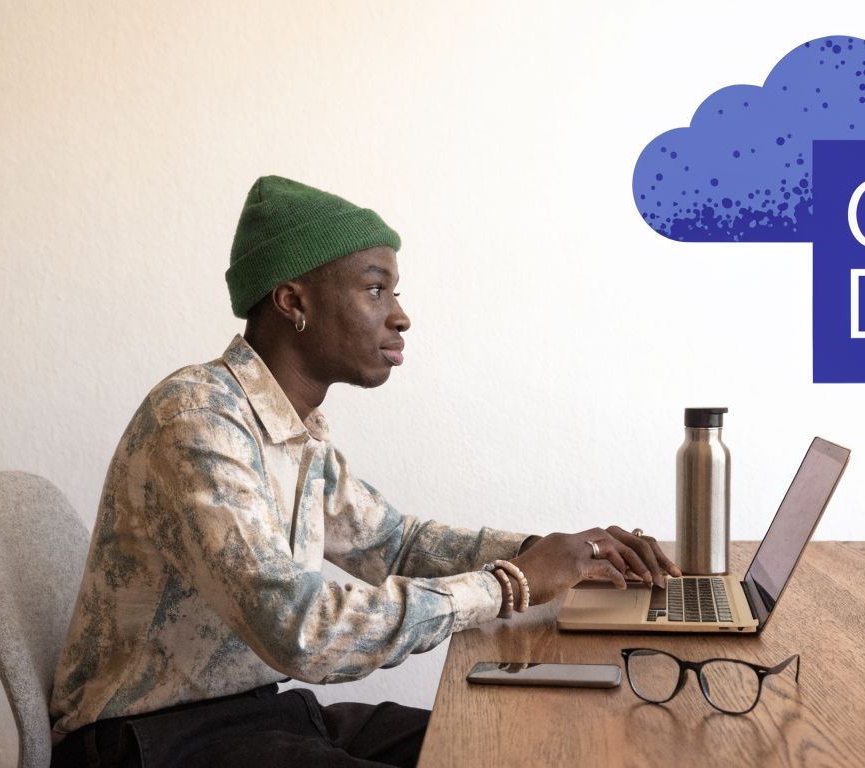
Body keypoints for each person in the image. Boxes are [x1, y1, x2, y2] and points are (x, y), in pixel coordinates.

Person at [49, 175, 681, 768]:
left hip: (262, 717)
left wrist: (548, 553)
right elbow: (303, 631)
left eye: (395, 291)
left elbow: (392, 543)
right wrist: (510, 584)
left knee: (505, 745)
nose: (400, 315)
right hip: (149, 743)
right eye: (376, 289)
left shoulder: (294, 431)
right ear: (293, 301)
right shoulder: (196, 422)